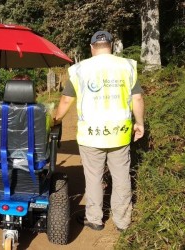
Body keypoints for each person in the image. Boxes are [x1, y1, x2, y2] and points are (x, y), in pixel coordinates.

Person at [53, 31, 145, 232]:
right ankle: (122, 222)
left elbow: (66, 101)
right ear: (111, 45)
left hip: (91, 135)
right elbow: (137, 98)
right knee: (121, 177)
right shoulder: (126, 66)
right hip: (119, 134)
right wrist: (140, 123)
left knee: (93, 177)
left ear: (91, 47)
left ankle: (95, 219)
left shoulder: (80, 69)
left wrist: (55, 119)